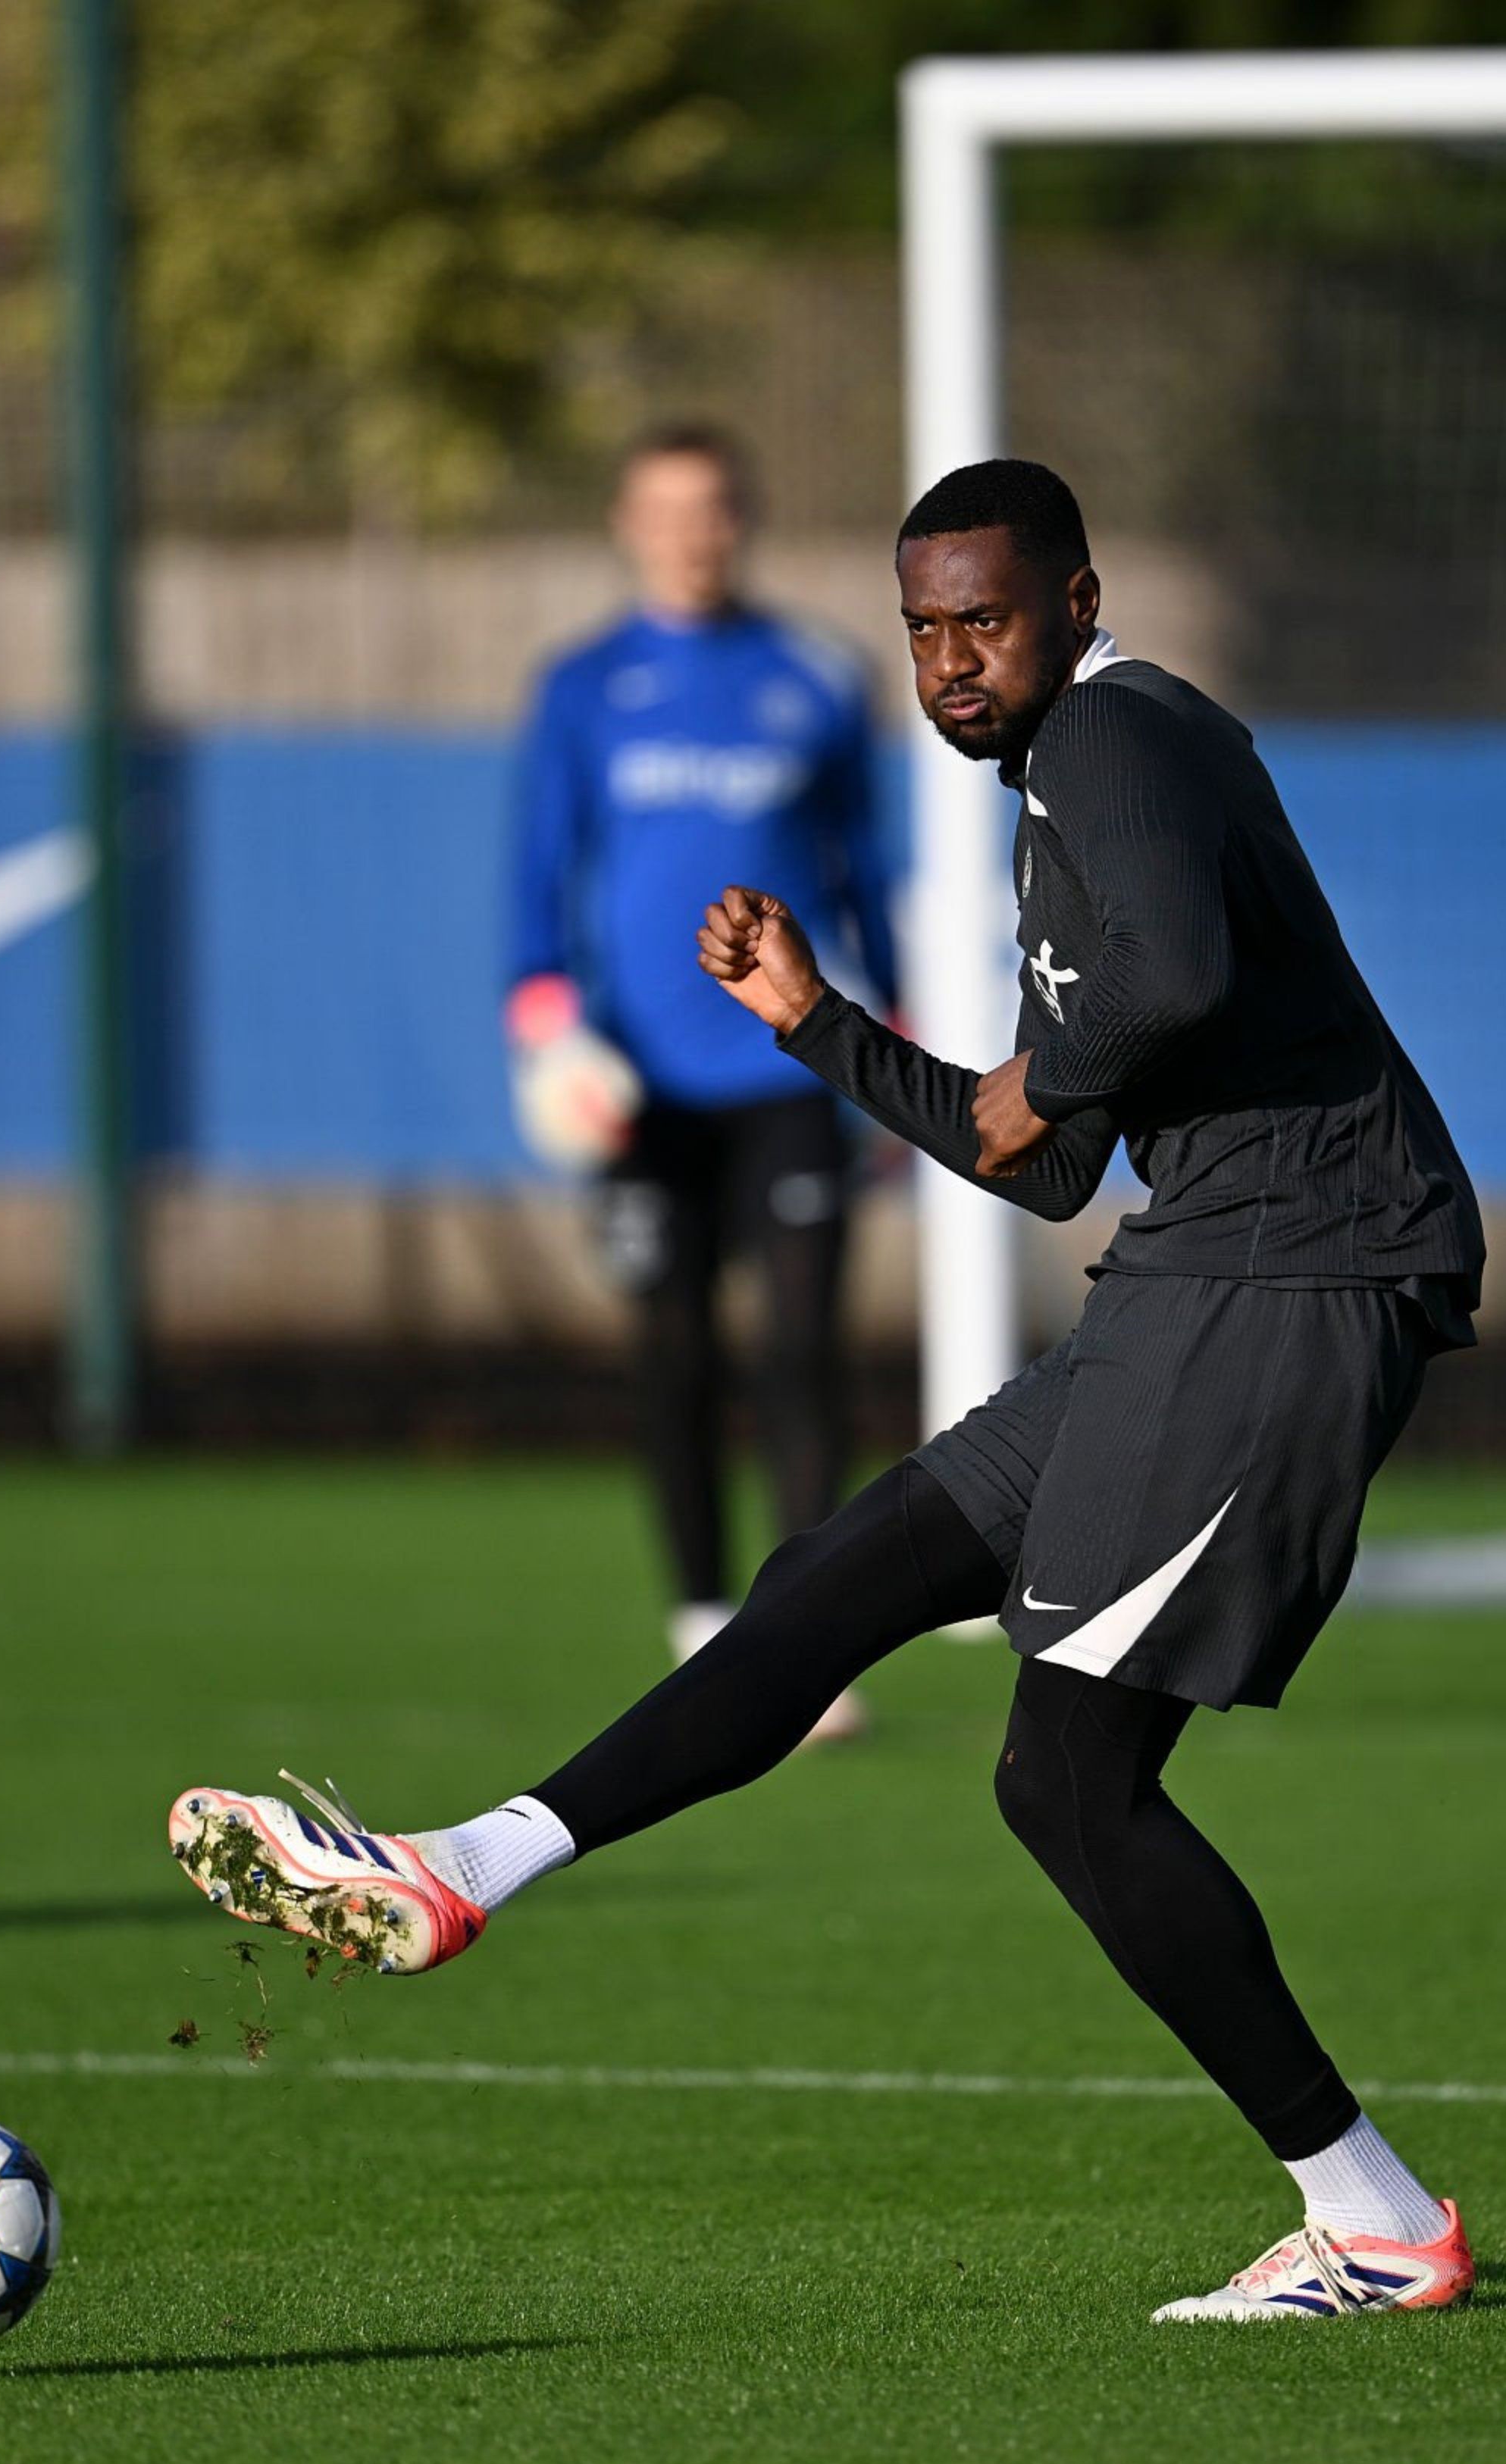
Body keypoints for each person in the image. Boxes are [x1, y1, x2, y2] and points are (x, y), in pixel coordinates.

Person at [174, 458, 1489, 2324]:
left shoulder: (1117, 739)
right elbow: (1033, 1157)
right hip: (1200, 1268)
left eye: (988, 621)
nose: (953, 663)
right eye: (924, 631)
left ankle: (1374, 2220)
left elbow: (1169, 986)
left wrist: (1061, 1061)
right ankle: (465, 1867)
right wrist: (814, 1025)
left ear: (1077, 601)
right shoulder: (1066, 780)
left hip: (1296, 1275)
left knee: (1068, 1783)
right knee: (844, 1570)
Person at [503, 422, 897, 1734]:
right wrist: (548, 1022)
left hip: (791, 1073)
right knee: (671, 1350)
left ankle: (809, 1637)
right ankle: (698, 1619)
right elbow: (536, 873)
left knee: (801, 1351)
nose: (692, 532)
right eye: (666, 509)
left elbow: (867, 874)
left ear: (747, 518)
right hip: (643, 1089)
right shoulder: (583, 686)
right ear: (626, 523)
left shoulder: (815, 677)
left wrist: (892, 1043)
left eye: (714, 506)